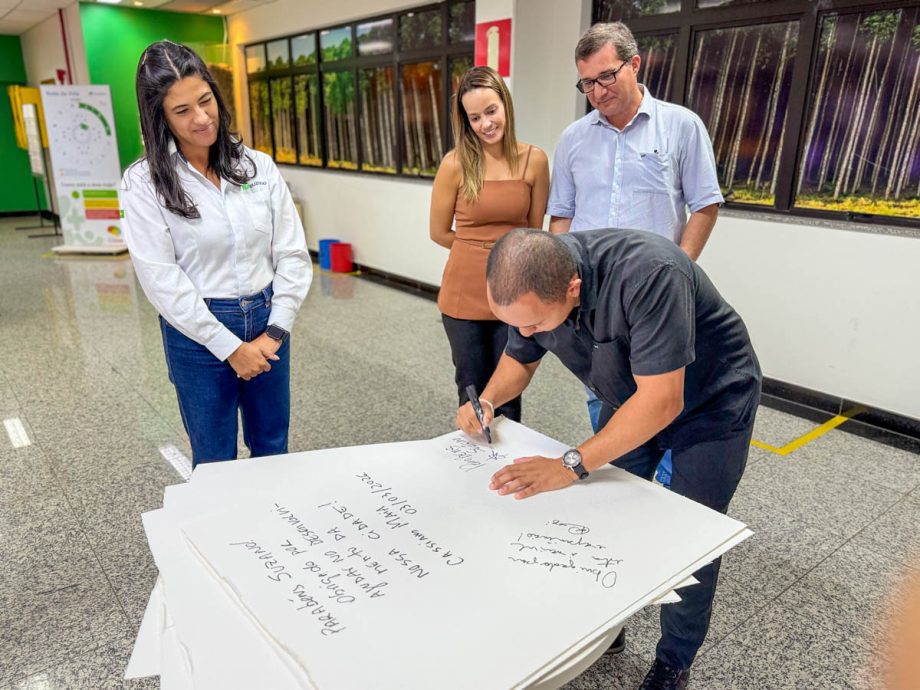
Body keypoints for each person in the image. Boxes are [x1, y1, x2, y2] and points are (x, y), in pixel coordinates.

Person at [456, 228, 761, 690]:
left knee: (690, 540)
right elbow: (520, 359)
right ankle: (607, 628)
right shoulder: (537, 289)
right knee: (602, 514)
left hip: (710, 405)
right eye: (515, 324)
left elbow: (662, 401)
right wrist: (489, 402)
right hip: (628, 398)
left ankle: (674, 660)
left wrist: (568, 465)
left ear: (572, 289)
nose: (525, 333)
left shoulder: (650, 274)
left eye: (534, 324)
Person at [121, 41, 312, 467]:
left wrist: (275, 331)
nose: (202, 118)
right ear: (160, 118)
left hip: (268, 319)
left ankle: (273, 531)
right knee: (213, 458)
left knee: (272, 447)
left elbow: (293, 254)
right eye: (183, 110)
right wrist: (229, 347)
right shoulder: (144, 183)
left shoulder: (258, 167)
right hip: (198, 334)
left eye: (205, 100)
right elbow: (161, 280)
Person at [548, 22, 724, 436]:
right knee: (603, 392)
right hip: (591, 295)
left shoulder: (681, 126)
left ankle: (663, 491)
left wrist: (679, 268)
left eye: (607, 76)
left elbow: (705, 204)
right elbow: (561, 215)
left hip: (656, 291)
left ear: (635, 65)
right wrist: (559, 282)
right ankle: (613, 471)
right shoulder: (573, 139)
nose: (598, 91)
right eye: (587, 83)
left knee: (663, 392)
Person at [430, 66, 549, 422]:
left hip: (514, 290)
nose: (485, 124)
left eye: (491, 111)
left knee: (508, 392)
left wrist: (505, 261)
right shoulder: (455, 164)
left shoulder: (535, 161)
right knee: (471, 389)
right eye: (475, 117)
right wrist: (479, 250)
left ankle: (507, 470)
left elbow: (534, 231)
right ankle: (473, 469)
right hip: (464, 292)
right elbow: (438, 232)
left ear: (506, 105)